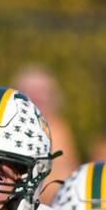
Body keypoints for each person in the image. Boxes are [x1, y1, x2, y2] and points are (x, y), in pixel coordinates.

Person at [13, 64, 80, 199]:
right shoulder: (10, 128)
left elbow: (66, 177)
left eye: (42, 92)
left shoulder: (58, 130)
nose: (38, 98)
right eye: (31, 92)